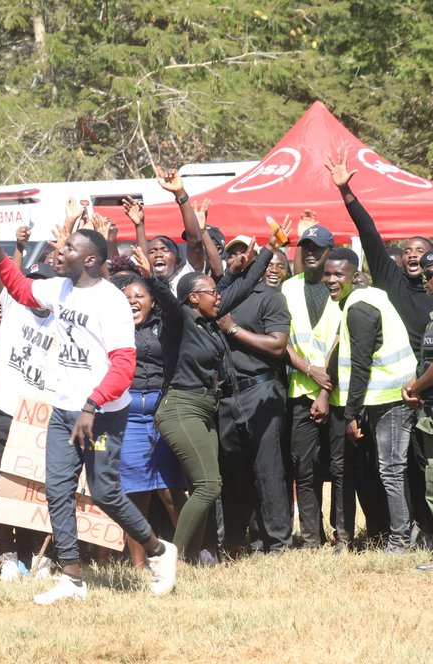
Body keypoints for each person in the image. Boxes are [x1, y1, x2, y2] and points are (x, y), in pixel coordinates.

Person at [0, 211, 178, 604]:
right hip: (64, 411)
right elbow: (22, 290)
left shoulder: (110, 301)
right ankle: (72, 578)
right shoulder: (59, 288)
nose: (61, 249)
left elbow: (125, 364)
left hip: (103, 415)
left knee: (106, 493)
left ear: (90, 259)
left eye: (70, 246)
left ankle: (159, 551)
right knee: (56, 489)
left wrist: (93, 403)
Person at [130, 168, 285, 565]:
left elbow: (245, 284)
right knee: (208, 485)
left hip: (203, 410)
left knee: (204, 487)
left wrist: (269, 247)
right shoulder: (179, 319)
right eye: (212, 292)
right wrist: (151, 274)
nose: (219, 295)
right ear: (193, 298)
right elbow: (164, 296)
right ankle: (174, 558)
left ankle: (186, 556)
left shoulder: (208, 316)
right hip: (179, 407)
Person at [324, 248, 417, 552]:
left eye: (338, 274)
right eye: (328, 274)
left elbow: (360, 366)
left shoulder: (359, 308)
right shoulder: (370, 297)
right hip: (387, 398)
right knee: (393, 470)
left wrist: (350, 415)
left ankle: (400, 539)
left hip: (390, 400)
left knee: (391, 471)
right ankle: (407, 533)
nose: (330, 280)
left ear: (356, 276)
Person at [212, 235, 293, 555]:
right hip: (226, 396)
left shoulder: (269, 297)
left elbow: (277, 344)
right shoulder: (219, 297)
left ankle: (279, 542)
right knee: (235, 471)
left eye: (244, 252)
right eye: (232, 252)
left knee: (268, 470)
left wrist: (234, 330)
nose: (238, 257)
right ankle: (252, 539)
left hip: (260, 389)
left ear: (255, 257)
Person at [109, 271, 187, 570]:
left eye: (139, 296)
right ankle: (139, 565)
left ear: (153, 302)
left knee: (170, 490)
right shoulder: (114, 329)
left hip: (160, 412)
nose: (133, 301)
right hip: (127, 415)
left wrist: (154, 279)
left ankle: (183, 557)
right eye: (127, 297)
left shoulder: (164, 326)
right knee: (134, 493)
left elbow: (175, 309)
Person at [281, 224, 340, 548]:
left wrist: (324, 390)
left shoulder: (342, 289)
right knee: (304, 469)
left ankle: (341, 534)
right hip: (298, 394)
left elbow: (341, 342)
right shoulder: (288, 288)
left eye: (318, 247)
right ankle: (311, 537)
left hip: (336, 393)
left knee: (339, 469)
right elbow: (280, 339)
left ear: (330, 250)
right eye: (307, 247)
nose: (312, 252)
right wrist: (309, 371)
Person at [406, 248, 433, 568]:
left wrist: (415, 387)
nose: (423, 278)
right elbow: (430, 361)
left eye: (429, 273)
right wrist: (416, 382)